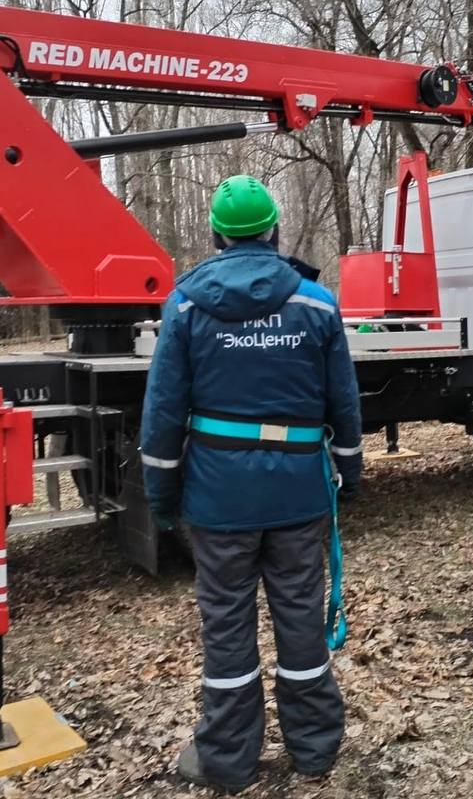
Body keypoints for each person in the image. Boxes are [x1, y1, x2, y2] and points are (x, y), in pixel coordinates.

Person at [139, 174, 363, 793]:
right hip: (298, 497)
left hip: (218, 500)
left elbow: (161, 414)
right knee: (299, 617)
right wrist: (352, 470)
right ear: (273, 231)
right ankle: (314, 749)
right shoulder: (317, 304)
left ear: (216, 235)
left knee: (228, 628)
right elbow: (344, 403)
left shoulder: (184, 306)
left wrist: (161, 498)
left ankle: (230, 760)